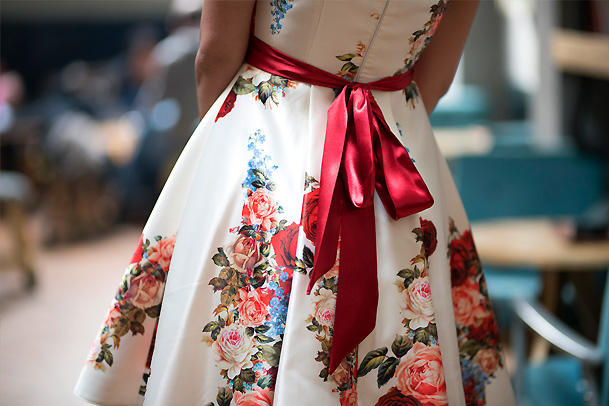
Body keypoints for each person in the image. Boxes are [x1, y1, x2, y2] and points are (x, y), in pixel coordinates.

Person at [75, 1, 515, 405]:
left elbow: (215, 53)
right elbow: (436, 77)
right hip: (397, 151)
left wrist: (220, 152)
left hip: (269, 137)